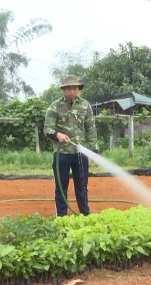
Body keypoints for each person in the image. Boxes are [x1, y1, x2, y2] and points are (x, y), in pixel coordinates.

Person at [44, 75, 98, 216]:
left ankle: (85, 216)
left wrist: (93, 153)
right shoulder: (55, 106)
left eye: (75, 88)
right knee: (61, 187)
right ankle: (61, 217)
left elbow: (91, 130)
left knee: (82, 187)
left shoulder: (85, 106)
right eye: (69, 88)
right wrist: (57, 135)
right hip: (62, 154)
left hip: (81, 153)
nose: (72, 91)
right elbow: (47, 129)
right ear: (64, 89)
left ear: (78, 89)